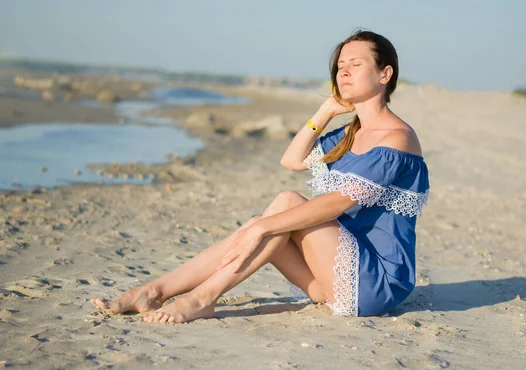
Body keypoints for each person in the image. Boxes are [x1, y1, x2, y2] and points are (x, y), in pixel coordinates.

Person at [90, 30, 430, 323]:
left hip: (375, 284)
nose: (344, 72)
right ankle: (153, 291)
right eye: (340, 66)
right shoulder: (347, 135)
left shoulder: (396, 138)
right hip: (329, 281)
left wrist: (261, 228)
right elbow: (292, 159)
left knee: (280, 209)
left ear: (385, 74)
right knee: (269, 217)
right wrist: (324, 111)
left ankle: (199, 299)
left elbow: (333, 205)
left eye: (356, 64)